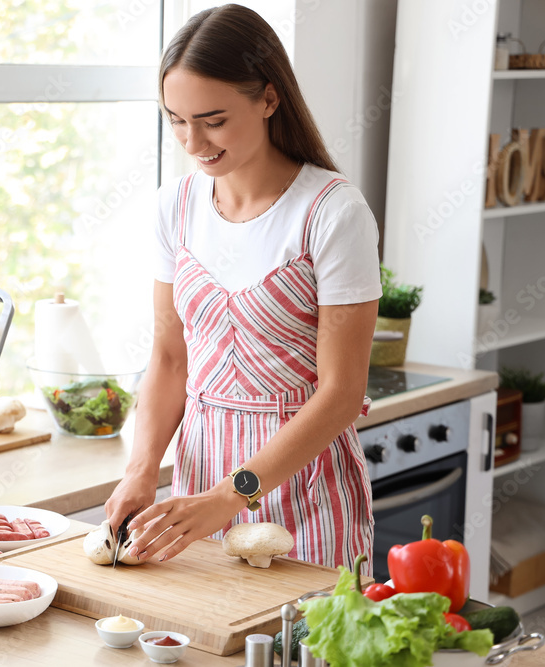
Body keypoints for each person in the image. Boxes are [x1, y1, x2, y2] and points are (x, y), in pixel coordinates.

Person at [104, 4, 381, 573]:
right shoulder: (174, 208)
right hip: (197, 484)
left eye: (212, 119)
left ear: (269, 100)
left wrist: (231, 497)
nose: (192, 141)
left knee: (299, 654)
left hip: (304, 489)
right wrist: (140, 470)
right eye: (175, 120)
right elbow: (169, 356)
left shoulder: (332, 212)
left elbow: (342, 393)